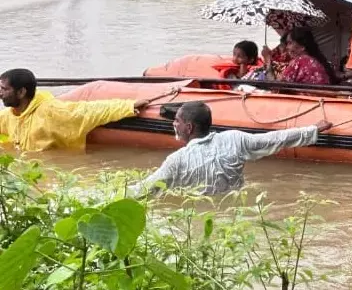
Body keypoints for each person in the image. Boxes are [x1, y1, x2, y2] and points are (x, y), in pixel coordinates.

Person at [128, 101, 332, 197]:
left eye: (177, 121)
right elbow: (274, 139)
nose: (174, 124)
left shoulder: (176, 160)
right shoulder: (234, 139)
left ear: (188, 128)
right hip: (235, 206)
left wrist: (109, 196)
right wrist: (313, 130)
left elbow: (144, 189)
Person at [0, 68, 150, 152]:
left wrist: (127, 106)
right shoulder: (10, 115)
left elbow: (87, 111)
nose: (0, 93)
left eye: (4, 89)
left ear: (21, 92)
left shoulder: (51, 111)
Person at [263, 27, 335, 85]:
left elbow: (274, 86)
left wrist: (268, 60)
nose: (287, 47)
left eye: (290, 43)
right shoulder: (314, 60)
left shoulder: (300, 61)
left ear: (302, 47)